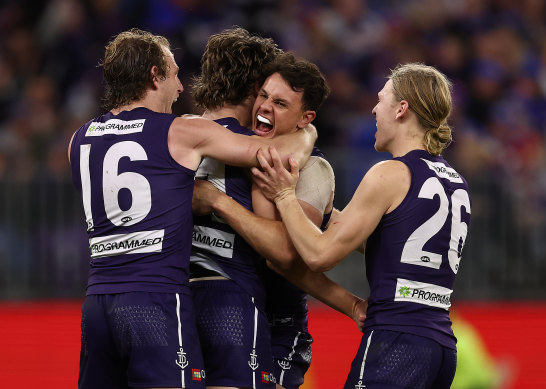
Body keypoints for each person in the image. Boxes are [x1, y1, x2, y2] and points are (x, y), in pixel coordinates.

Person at [67, 28, 316, 389]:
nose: (181, 88)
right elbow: (276, 157)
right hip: (159, 297)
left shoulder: (79, 138)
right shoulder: (181, 133)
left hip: (96, 302)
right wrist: (308, 132)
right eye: (173, 73)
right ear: (154, 75)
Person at [252, 63, 472, 389]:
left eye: (381, 99)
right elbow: (393, 243)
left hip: (396, 340)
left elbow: (319, 254)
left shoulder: (389, 174)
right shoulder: (456, 181)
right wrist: (324, 214)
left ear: (402, 109)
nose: (373, 109)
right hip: (441, 348)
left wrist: (284, 195)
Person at [192, 52, 366, 389]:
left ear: (306, 118)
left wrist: (352, 304)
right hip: (222, 308)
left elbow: (286, 258)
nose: (266, 107)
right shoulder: (231, 147)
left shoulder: (314, 171)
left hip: (279, 325)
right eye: (263, 96)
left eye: (281, 103)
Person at [187, 27, 282, 389]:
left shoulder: (170, 135)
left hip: (170, 298)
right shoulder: (260, 148)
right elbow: (283, 252)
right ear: (256, 85)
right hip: (231, 295)